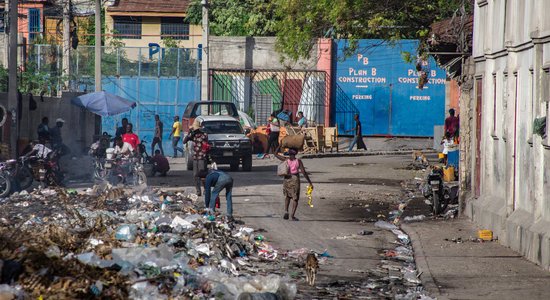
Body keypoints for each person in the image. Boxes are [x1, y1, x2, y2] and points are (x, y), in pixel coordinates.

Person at [275, 147, 313, 221]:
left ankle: (286, 211)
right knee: (295, 198)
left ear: (289, 153)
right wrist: (309, 182)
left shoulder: (286, 160)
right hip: (295, 179)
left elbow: (275, 154)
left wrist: (280, 145)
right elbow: (304, 172)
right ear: (296, 153)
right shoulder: (298, 161)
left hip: (287, 179)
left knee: (288, 196)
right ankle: (292, 215)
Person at [183, 119, 209, 196]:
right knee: (195, 175)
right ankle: (198, 191)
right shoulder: (193, 135)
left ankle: (205, 189)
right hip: (195, 157)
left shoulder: (204, 135)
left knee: (203, 175)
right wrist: (189, 133)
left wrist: (194, 133)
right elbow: (184, 141)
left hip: (202, 157)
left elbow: (204, 142)